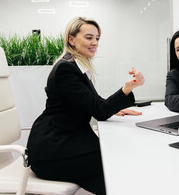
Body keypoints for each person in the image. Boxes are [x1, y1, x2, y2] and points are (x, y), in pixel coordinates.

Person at [27, 17, 145, 195]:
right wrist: (127, 89)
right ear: (71, 39)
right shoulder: (66, 69)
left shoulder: (76, 66)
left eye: (97, 38)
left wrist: (115, 106)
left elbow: (93, 103)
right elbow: (99, 111)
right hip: (51, 150)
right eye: (89, 37)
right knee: (114, 160)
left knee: (111, 177)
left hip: (64, 141)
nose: (95, 42)